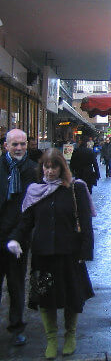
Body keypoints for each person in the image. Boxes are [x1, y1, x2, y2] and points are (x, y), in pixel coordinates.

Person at [7, 148, 94, 358]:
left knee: (72, 297)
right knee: (46, 299)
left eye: (54, 167)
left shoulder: (76, 189)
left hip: (69, 253)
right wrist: (16, 239)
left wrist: (85, 250)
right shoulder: (35, 191)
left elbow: (85, 222)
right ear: (42, 168)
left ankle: (70, 335)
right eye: (46, 167)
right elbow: (27, 220)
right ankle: (52, 339)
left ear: (62, 168)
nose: (50, 171)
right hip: (43, 254)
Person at [0, 129, 38, 346]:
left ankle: (16, 328)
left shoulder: (32, 171)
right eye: (14, 144)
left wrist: (18, 236)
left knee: (16, 286)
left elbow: (31, 210)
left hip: (19, 240)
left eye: (22, 144)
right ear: (6, 146)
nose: (19, 148)